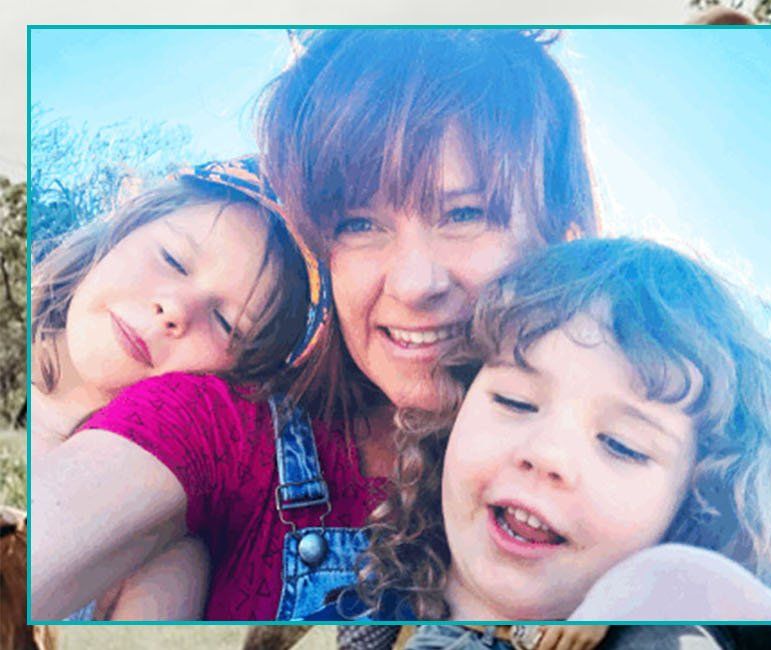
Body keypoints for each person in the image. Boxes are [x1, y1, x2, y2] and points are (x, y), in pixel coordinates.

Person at [31, 28, 598, 621]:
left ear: (564, 234)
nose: (412, 283)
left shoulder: (643, 469)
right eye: (358, 223)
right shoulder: (228, 428)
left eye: (464, 213)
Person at [298, 237, 771, 624]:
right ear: (454, 412)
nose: (546, 454)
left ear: (696, 505)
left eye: (621, 445)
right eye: (515, 401)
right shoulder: (341, 620)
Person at [29, 157, 319, 620]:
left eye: (227, 324)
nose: (175, 309)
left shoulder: (160, 557)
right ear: (127, 224)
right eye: (173, 259)